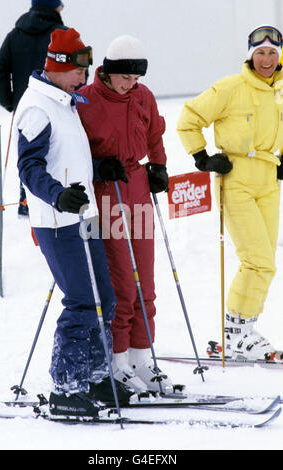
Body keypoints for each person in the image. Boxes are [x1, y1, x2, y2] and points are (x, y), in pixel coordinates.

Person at [14, 28, 134, 418]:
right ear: (59, 67)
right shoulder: (37, 107)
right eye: (79, 70)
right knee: (82, 302)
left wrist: (100, 167)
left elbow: (67, 157)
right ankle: (66, 386)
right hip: (57, 222)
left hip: (83, 216)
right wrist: (57, 194)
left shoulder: (65, 102)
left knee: (105, 298)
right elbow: (29, 167)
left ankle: (96, 376)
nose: (85, 77)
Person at [177, 25, 283, 361]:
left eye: (272, 53)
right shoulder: (231, 87)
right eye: (260, 53)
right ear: (250, 55)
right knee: (258, 260)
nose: (266, 59)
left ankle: (243, 330)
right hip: (235, 179)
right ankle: (237, 333)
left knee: (265, 265)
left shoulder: (280, 89)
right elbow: (189, 117)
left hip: (268, 179)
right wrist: (203, 157)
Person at [77, 35, 174, 394]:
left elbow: (155, 135)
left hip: (138, 190)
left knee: (145, 283)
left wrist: (159, 166)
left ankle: (142, 356)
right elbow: (75, 150)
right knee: (122, 285)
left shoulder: (143, 96)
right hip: (110, 194)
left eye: (136, 79)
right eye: (125, 78)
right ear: (110, 70)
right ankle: (117, 360)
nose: (131, 85)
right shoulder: (86, 99)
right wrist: (99, 166)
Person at [0, 0, 66, 217]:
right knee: (57, 153)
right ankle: (55, 200)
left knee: (29, 153)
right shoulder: (61, 35)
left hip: (24, 109)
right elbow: (79, 71)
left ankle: (27, 201)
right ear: (54, 7)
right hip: (56, 107)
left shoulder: (15, 35)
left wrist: (10, 101)